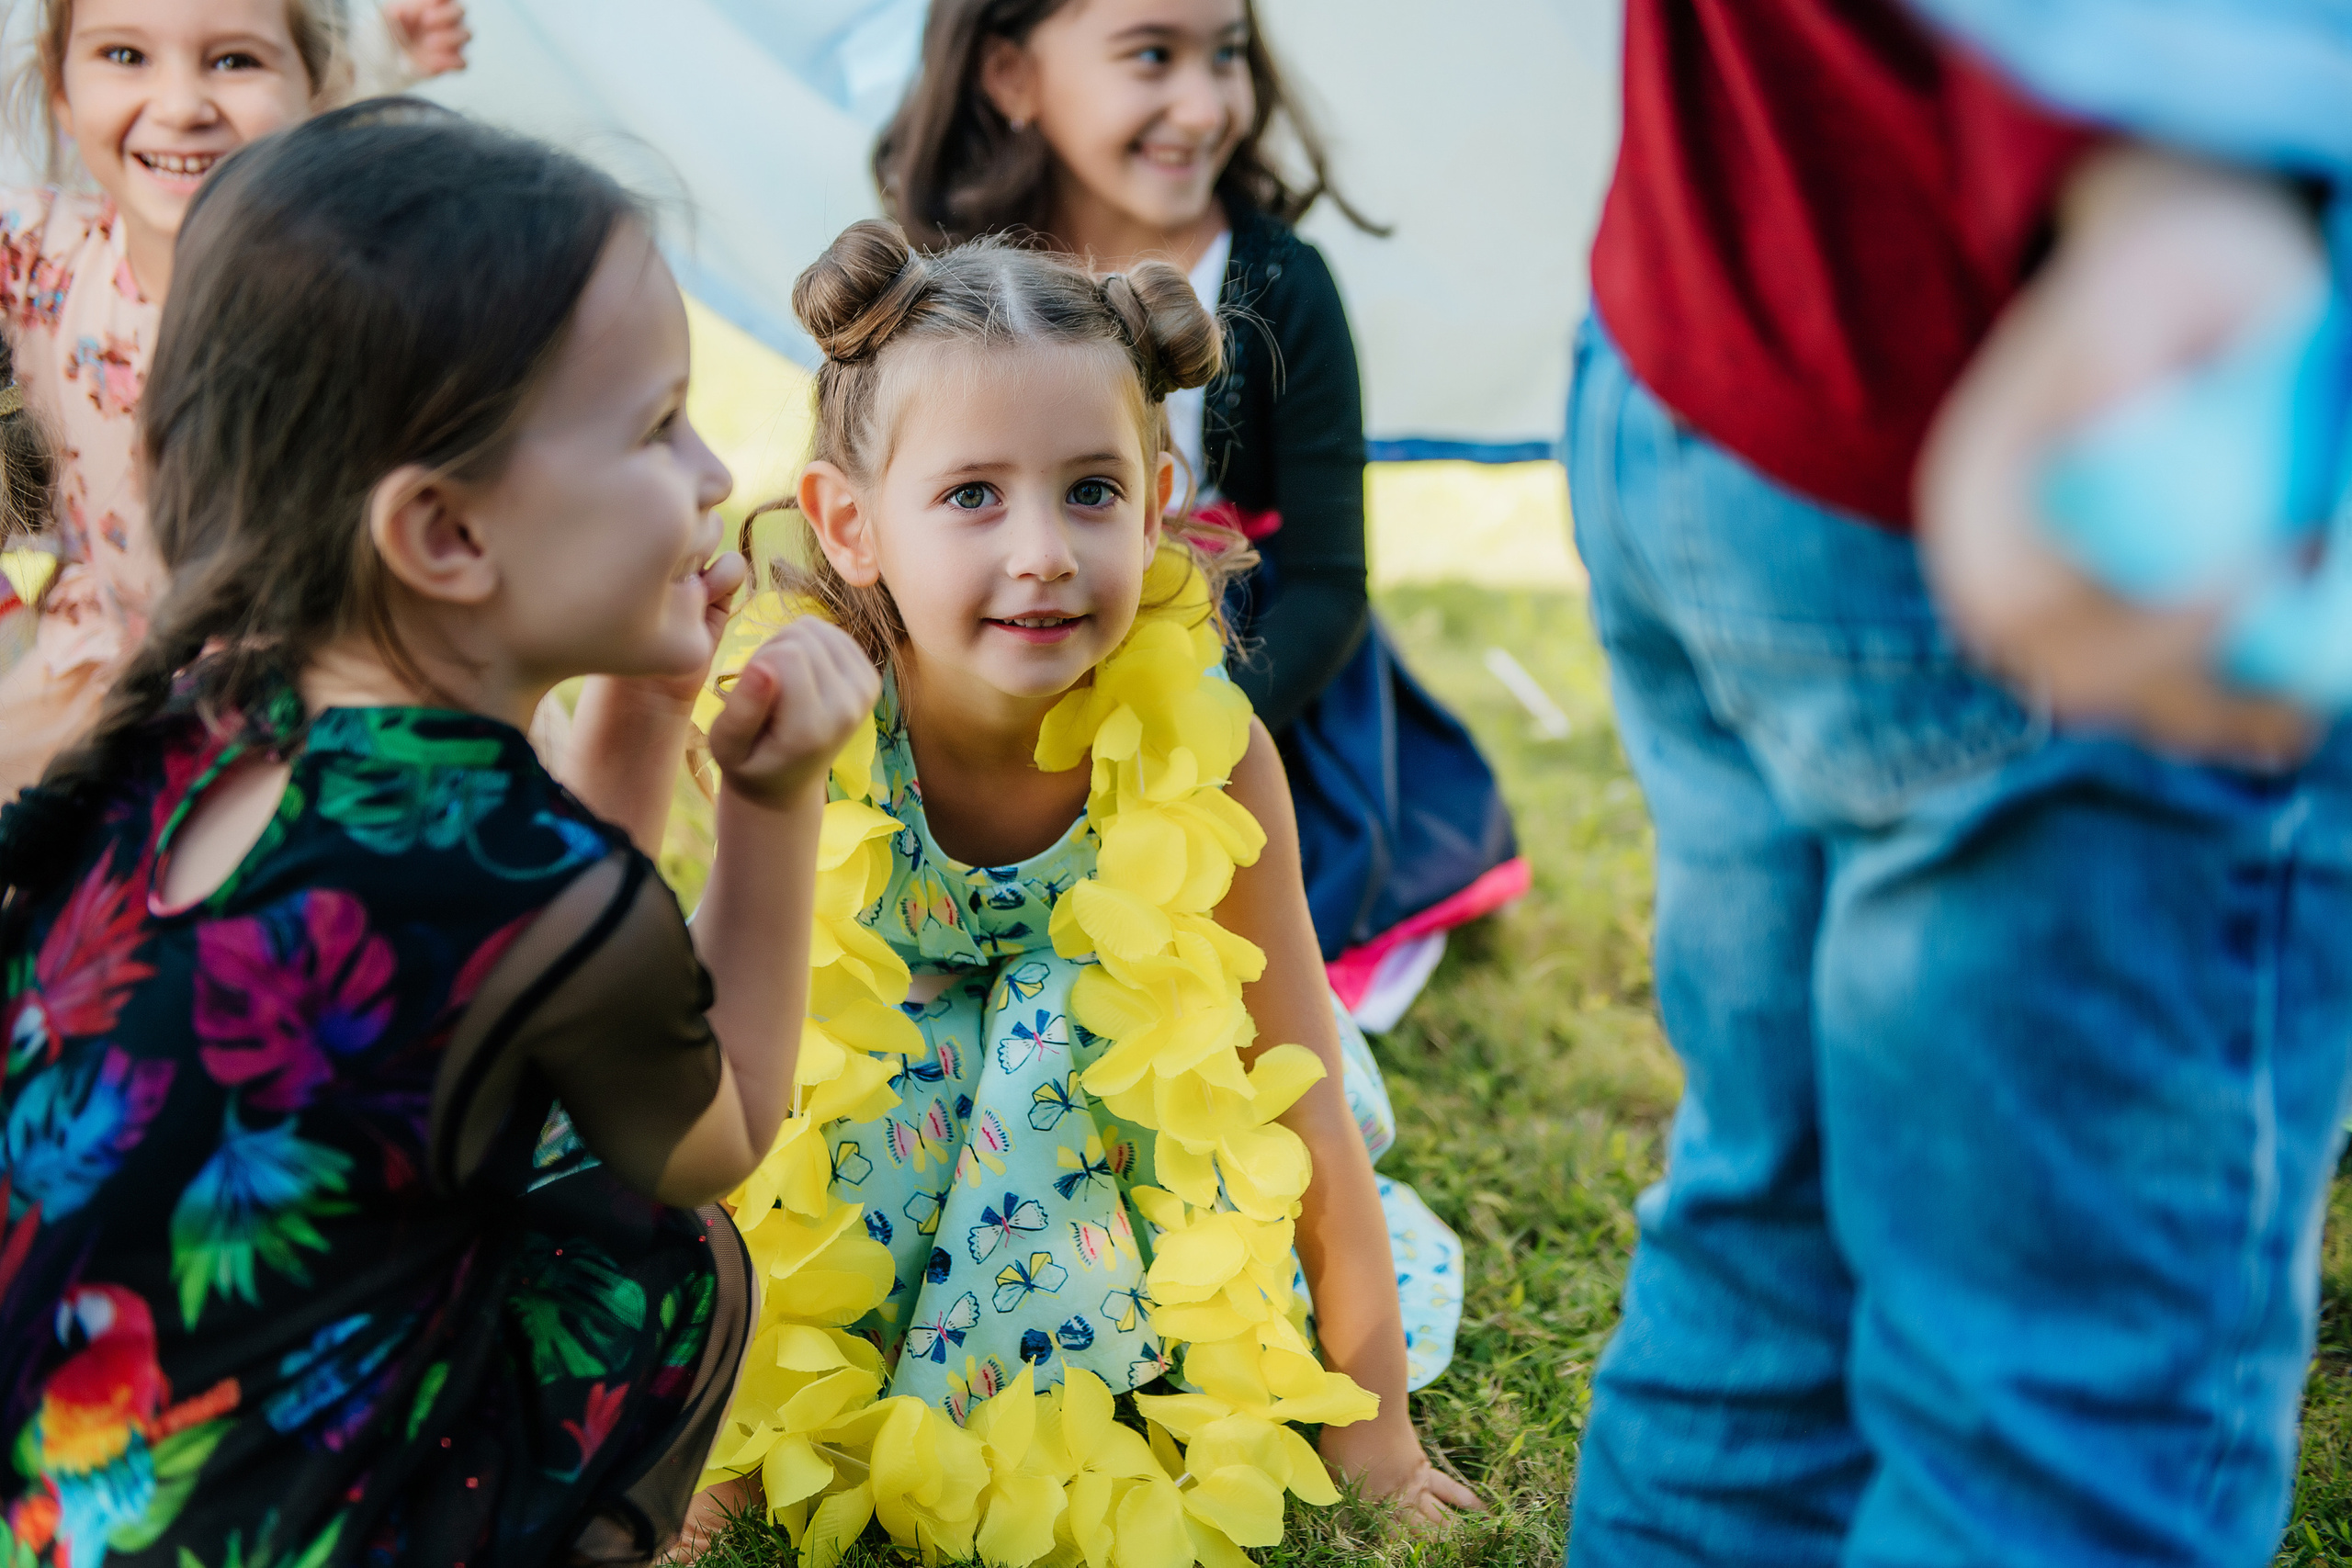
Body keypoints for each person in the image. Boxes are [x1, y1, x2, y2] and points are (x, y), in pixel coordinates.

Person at [0, 102, 882, 1565]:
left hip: (57, 1516)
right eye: (658, 423)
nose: (718, 474)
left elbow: (524, 968)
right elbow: (707, 1137)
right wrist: (774, 800)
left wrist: (648, 707)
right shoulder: (526, 872)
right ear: (447, 534)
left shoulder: (170, 736)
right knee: (659, 1256)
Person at [1563, 2, 2352, 1563]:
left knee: (1766, 1254)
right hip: (2053, 431)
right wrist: (2170, 169)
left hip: (1715, 344)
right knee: (2057, 1421)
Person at [691, 219, 1480, 1556]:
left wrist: (1379, 1438)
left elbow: (1295, 1087)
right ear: (850, 520)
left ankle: (1092, 1353)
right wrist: (704, 1465)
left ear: (1162, 493)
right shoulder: (806, 727)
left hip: (1135, 1107)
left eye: (1092, 490)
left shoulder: (1217, 750)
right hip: (883, 1113)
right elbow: (736, 1117)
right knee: (839, 1106)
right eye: (973, 495)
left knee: (1074, 1046)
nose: (1046, 549)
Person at [873, 0, 1521, 1023]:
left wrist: (1185, 734)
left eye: (1226, 55)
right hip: (993, 676)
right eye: (1150, 55)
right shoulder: (947, 284)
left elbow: (1327, 581)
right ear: (1010, 76)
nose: (1204, 102)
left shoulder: (1280, 284)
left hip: (1241, 684)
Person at [0, 0, 472, 802]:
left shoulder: (348, 297)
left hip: (306, 715)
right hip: (95, 683)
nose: (182, 107)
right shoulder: (34, 255)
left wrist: (390, 64)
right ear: (60, 90)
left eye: (233, 62)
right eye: (123, 55)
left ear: (318, 96)